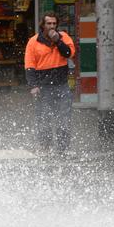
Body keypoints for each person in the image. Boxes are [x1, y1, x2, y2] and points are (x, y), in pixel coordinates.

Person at [24, 11, 75, 154]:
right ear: (43, 25)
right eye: (49, 23)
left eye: (54, 23)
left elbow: (68, 54)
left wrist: (58, 41)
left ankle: (63, 149)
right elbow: (29, 65)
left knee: (64, 120)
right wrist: (33, 85)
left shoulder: (64, 37)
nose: (52, 26)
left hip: (62, 85)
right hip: (43, 87)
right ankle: (45, 147)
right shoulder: (33, 42)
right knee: (44, 119)